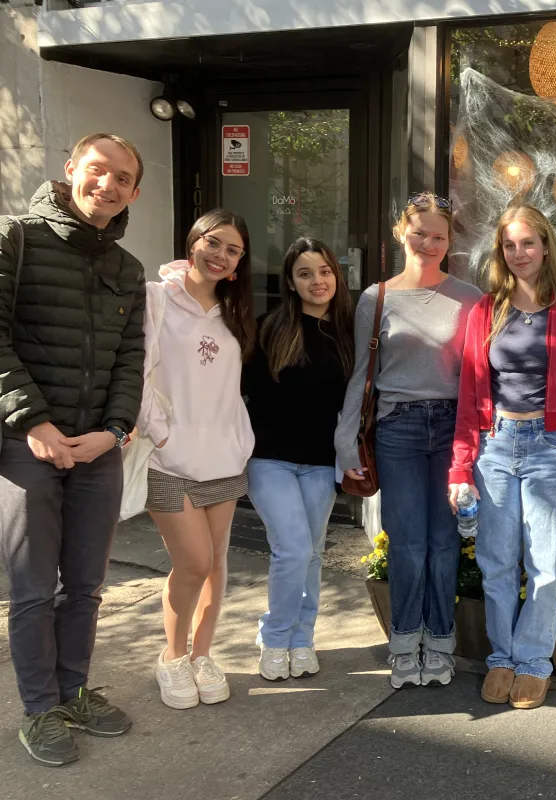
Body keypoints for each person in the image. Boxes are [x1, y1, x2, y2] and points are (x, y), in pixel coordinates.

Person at [0, 133, 145, 766]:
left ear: (134, 192)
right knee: (32, 588)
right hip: (24, 446)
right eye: (97, 171)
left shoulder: (128, 269)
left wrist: (113, 431)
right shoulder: (16, 239)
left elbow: (131, 361)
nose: (107, 186)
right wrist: (33, 421)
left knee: (85, 586)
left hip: (97, 451)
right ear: (70, 171)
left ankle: (74, 690)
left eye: (122, 178)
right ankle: (41, 710)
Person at [448, 204, 556, 710]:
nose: (519, 254)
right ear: (501, 251)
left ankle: (535, 662)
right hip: (495, 446)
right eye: (509, 245)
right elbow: (470, 395)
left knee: (544, 564)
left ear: (546, 247)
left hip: (553, 448)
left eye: (528, 244)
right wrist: (460, 464)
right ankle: (502, 657)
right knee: (496, 562)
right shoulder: (485, 311)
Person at [336, 193, 482, 690]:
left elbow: (479, 376)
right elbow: (363, 373)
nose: (427, 243)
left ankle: (440, 643)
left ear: (449, 241)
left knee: (444, 543)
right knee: (406, 543)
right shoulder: (376, 299)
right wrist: (346, 443)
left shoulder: (469, 297)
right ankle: (404, 646)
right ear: (401, 233)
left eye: (438, 235)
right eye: (419, 232)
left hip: (451, 429)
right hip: (396, 428)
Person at [136, 209, 256, 710]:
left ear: (238, 264)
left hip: (223, 460)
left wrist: (238, 438)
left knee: (217, 564)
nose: (220, 255)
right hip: (168, 462)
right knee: (193, 562)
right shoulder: (155, 298)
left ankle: (202, 654)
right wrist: (159, 436)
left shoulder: (235, 311)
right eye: (214, 242)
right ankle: (172, 655)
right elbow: (136, 373)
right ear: (194, 242)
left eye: (232, 250)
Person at [244, 237, 354, 681]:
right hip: (269, 459)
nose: (317, 281)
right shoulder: (268, 328)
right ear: (290, 282)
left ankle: (302, 639)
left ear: (336, 275)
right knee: (292, 549)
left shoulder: (348, 334)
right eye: (305, 273)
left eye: (324, 271)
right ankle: (275, 638)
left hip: (321, 462)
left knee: (310, 554)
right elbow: (238, 393)